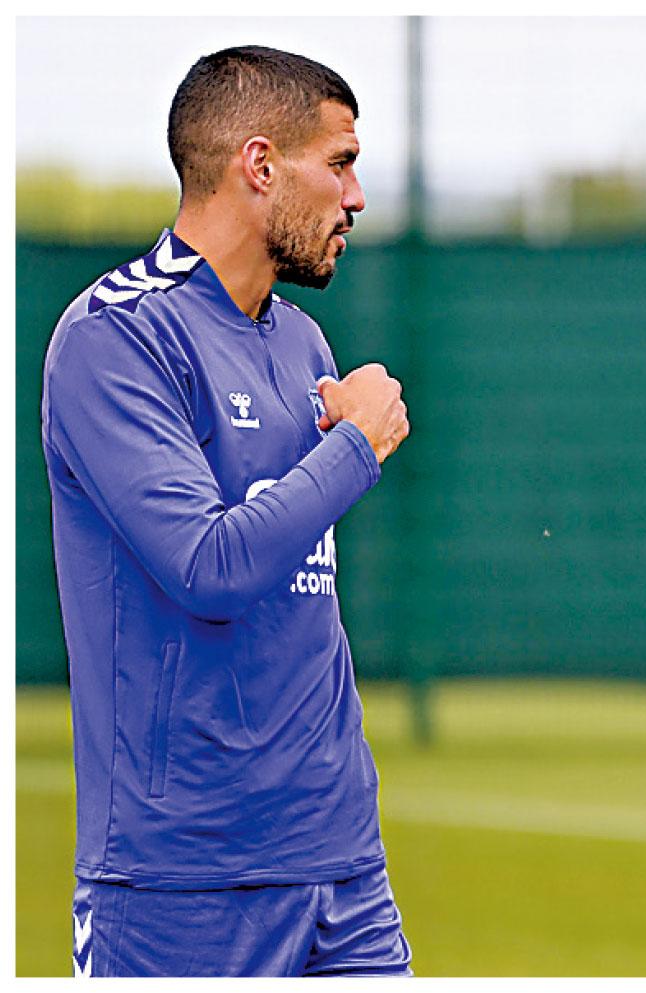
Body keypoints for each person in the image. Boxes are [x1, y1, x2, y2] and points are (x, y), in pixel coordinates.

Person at [42, 46, 412, 977]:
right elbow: (210, 568)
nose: (356, 197)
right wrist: (356, 447)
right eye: (339, 163)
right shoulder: (115, 336)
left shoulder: (302, 341)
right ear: (259, 165)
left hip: (343, 871)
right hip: (179, 884)